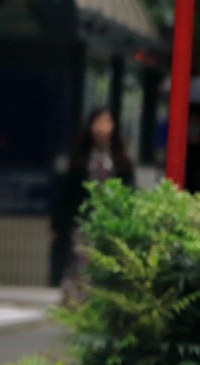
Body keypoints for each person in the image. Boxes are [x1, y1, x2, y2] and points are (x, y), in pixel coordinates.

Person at [52, 108, 135, 302]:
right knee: (80, 266)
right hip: (83, 223)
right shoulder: (79, 158)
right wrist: (58, 224)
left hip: (111, 225)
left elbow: (129, 193)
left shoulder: (121, 160)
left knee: (106, 268)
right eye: (98, 121)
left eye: (107, 122)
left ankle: (99, 307)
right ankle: (76, 306)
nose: (102, 127)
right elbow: (65, 195)